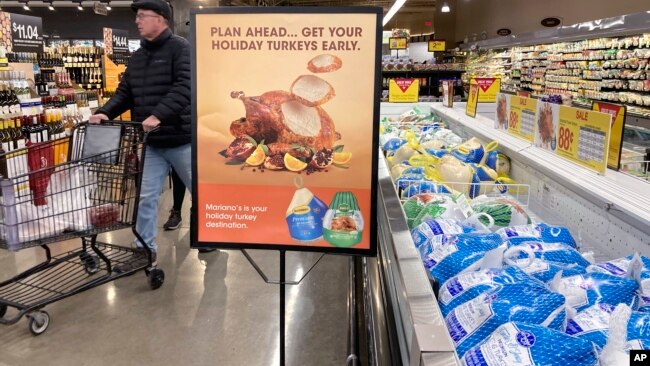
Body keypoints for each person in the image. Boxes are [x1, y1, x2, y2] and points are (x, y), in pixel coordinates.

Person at [89, 0, 210, 272]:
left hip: (181, 138)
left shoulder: (181, 49)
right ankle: (145, 249)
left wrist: (158, 115)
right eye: (138, 17)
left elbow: (185, 86)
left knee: (201, 193)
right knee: (145, 196)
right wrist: (105, 112)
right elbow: (125, 92)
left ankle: (208, 236)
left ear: (162, 19)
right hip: (152, 142)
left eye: (143, 16)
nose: (137, 21)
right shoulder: (138, 56)